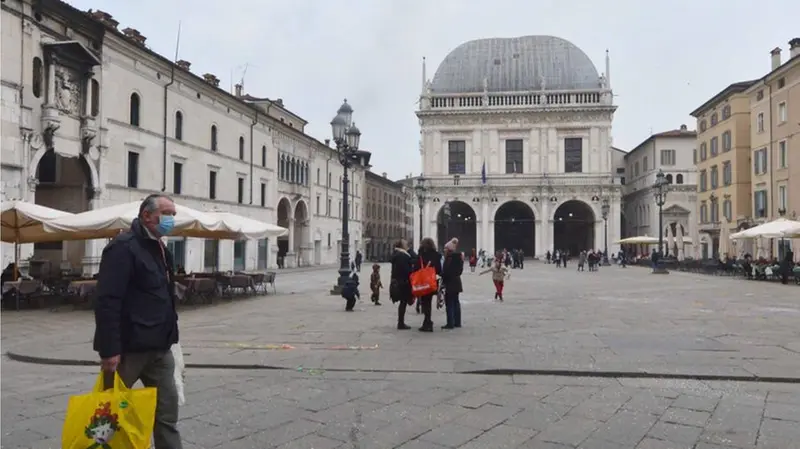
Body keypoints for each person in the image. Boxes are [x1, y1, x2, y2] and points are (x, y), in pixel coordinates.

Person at [93, 194, 183, 449]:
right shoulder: (123, 246)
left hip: (160, 348)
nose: (171, 219)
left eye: (173, 214)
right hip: (128, 350)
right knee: (109, 415)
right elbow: (107, 300)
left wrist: (172, 335)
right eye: (167, 213)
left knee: (167, 414)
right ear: (146, 215)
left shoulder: (162, 249)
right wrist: (109, 350)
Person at [416, 237, 442, 332]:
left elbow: (416, 267)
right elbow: (439, 270)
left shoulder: (421, 256)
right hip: (431, 282)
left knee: (424, 302)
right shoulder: (436, 255)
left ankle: (427, 322)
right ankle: (428, 321)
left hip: (422, 282)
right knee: (428, 302)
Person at [389, 239, 413, 330]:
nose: (407, 243)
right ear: (402, 246)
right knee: (403, 302)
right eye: (405, 243)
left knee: (403, 303)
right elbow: (406, 270)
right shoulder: (402, 256)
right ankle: (401, 323)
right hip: (403, 282)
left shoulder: (397, 254)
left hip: (397, 281)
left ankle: (401, 322)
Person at [441, 239, 463, 329]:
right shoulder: (458, 258)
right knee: (456, 302)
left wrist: (442, 276)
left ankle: (450, 323)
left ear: (449, 249)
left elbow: (446, 271)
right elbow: (459, 271)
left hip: (450, 283)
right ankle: (457, 322)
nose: (444, 250)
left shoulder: (449, 259)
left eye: (445, 248)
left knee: (449, 303)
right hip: (457, 282)